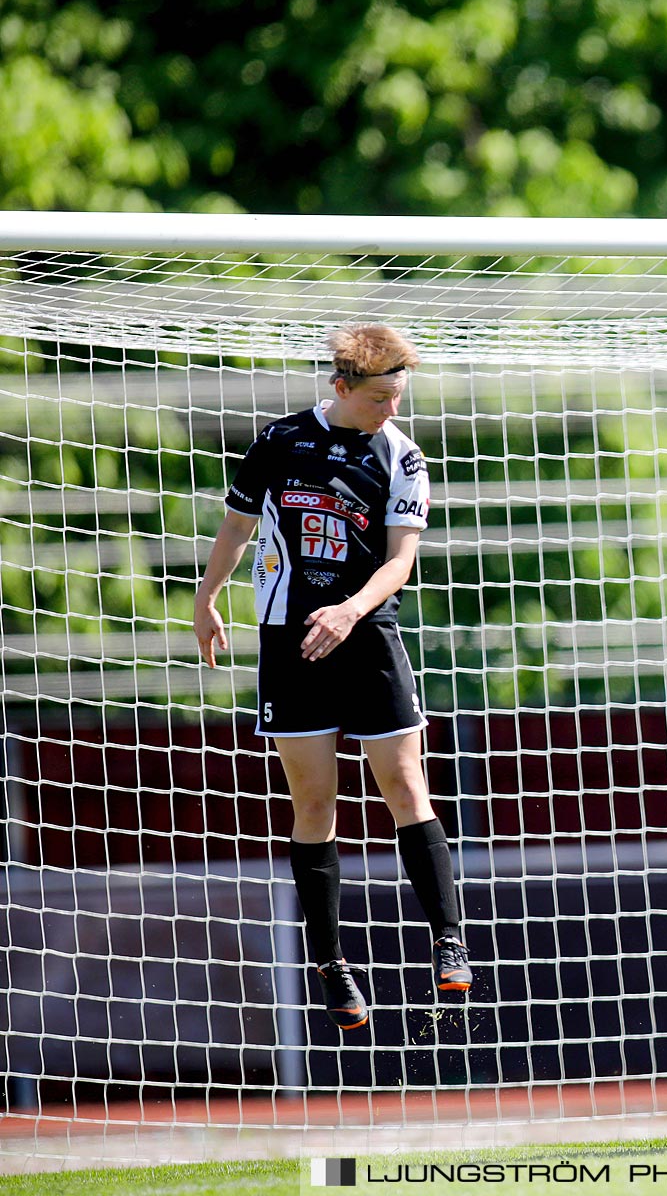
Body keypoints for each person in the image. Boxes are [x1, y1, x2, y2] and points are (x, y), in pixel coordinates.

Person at [192, 324, 471, 1031]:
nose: (392, 411)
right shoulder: (278, 442)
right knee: (315, 804)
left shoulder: (403, 457)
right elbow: (236, 528)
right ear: (340, 387)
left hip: (367, 631)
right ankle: (331, 965)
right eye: (380, 398)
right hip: (292, 641)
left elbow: (399, 562)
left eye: (399, 397)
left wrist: (348, 610)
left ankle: (448, 942)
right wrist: (207, 599)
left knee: (407, 785)